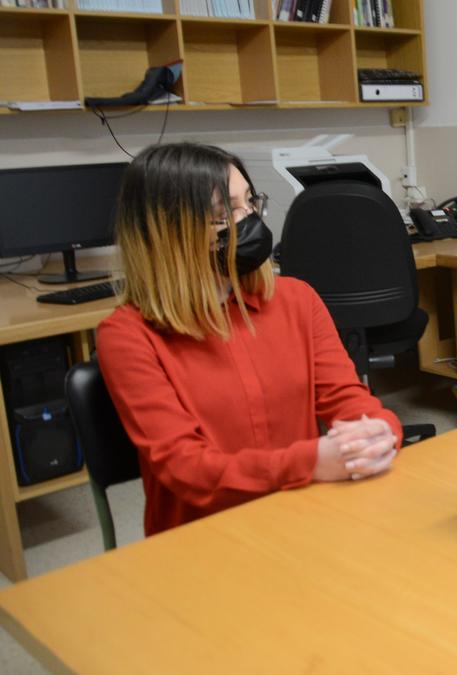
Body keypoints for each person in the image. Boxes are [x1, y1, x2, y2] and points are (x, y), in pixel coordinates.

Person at [97, 142, 401, 536]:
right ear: (166, 233)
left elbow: (349, 400)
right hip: (203, 537)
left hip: (302, 513)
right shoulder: (127, 336)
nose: (249, 221)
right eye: (223, 216)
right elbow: (185, 468)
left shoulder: (296, 300)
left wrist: (379, 430)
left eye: (250, 203)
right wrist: (309, 462)